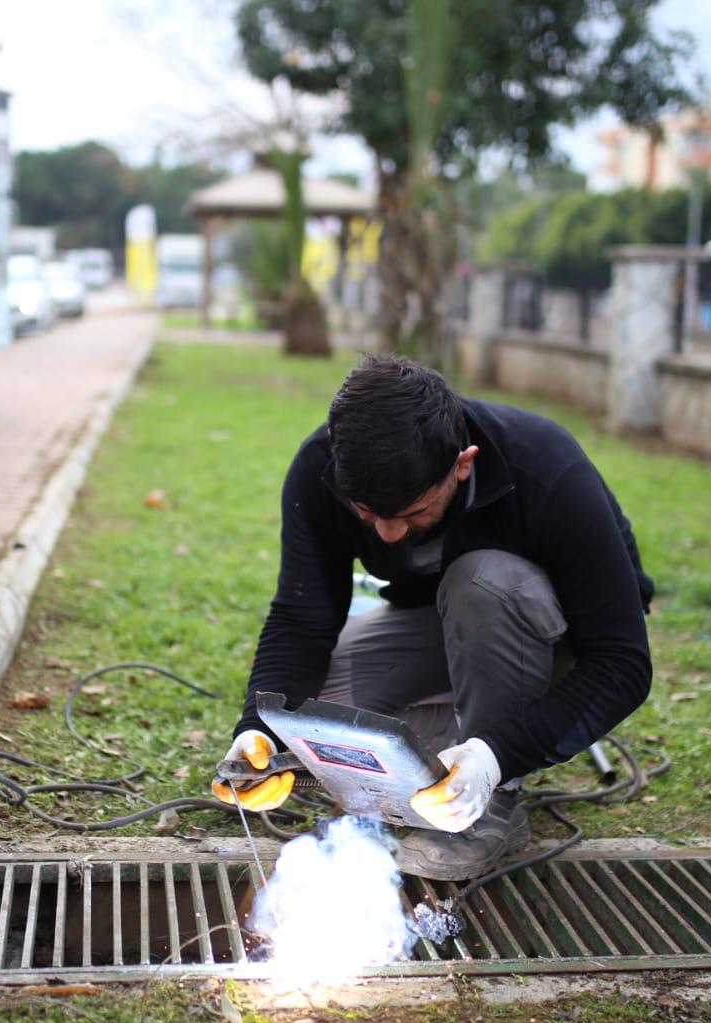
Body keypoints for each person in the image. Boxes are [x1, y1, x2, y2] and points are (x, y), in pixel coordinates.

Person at [212, 354, 654, 880]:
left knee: (482, 579)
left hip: (545, 635)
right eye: (368, 516)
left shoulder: (546, 468)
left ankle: (490, 799)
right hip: (434, 620)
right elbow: (301, 618)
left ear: (463, 463)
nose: (390, 535)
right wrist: (261, 732)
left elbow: (623, 662)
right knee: (315, 726)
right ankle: (454, 753)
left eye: (413, 513)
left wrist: (499, 757)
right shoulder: (319, 470)